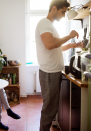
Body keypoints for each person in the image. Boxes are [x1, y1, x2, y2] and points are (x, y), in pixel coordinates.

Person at [35, 0, 83, 131]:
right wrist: (69, 36)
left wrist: (73, 45)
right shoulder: (44, 23)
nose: (63, 15)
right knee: (49, 109)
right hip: (49, 73)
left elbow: (57, 48)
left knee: (50, 108)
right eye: (63, 12)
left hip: (52, 72)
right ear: (54, 9)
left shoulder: (49, 25)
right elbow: (50, 44)